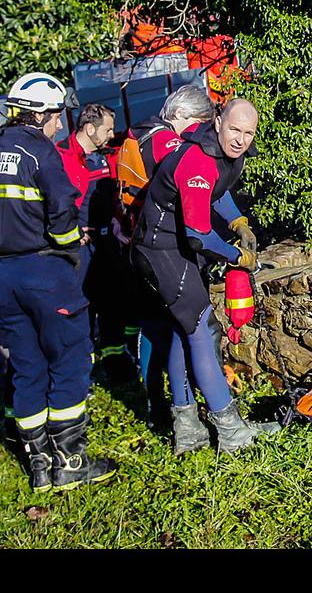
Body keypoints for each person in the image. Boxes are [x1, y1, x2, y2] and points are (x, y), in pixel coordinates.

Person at [0, 72, 117, 493]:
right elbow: (64, 212)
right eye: (58, 115)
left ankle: (40, 466)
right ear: (43, 114)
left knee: (27, 368)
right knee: (68, 360)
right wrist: (70, 250)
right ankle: (70, 462)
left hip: (2, 278)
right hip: (47, 272)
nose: (60, 123)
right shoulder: (41, 155)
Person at [133, 97, 277, 454]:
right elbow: (199, 234)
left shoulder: (229, 152)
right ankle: (229, 430)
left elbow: (220, 190)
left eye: (248, 132)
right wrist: (236, 256)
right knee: (202, 329)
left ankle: (188, 430)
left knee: (185, 332)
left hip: (175, 248)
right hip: (161, 251)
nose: (241, 139)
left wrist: (237, 221)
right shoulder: (198, 159)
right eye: (234, 130)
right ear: (217, 123)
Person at [114, 85, 216, 428]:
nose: (200, 130)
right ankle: (170, 411)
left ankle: (160, 408)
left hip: (134, 244)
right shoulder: (165, 142)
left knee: (155, 330)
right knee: (172, 332)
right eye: (200, 121)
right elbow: (185, 186)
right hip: (161, 250)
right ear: (182, 115)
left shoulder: (134, 136)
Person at [57, 103, 131, 378]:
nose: (112, 135)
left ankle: (115, 361)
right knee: (82, 307)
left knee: (112, 303)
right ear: (90, 128)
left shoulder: (102, 157)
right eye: (107, 129)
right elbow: (56, 204)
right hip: (79, 248)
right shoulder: (62, 157)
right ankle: (82, 370)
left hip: (106, 242)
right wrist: (73, 232)